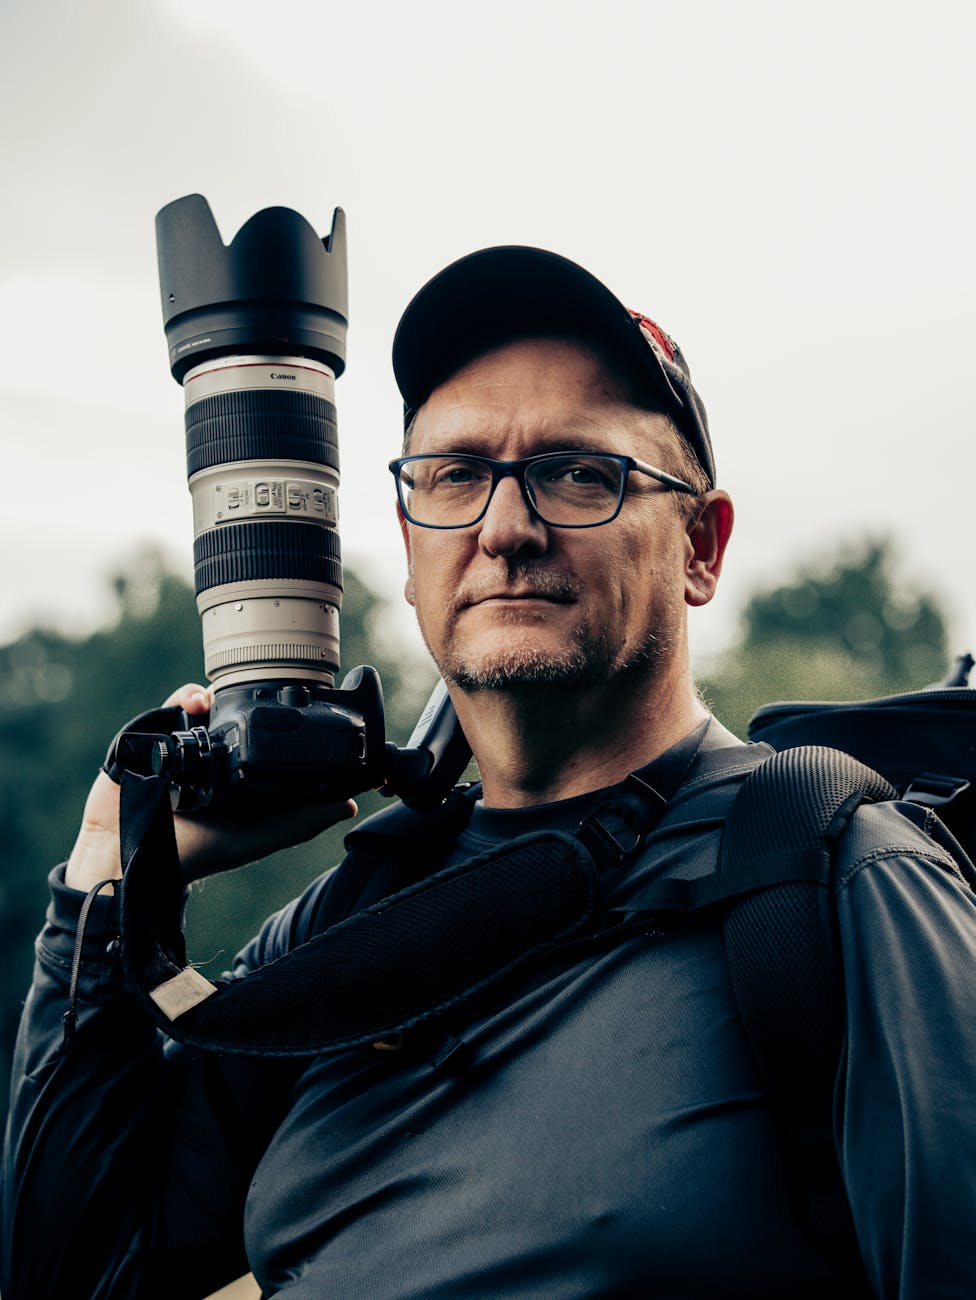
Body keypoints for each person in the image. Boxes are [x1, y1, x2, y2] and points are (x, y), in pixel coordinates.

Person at [3, 246, 976, 1300]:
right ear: (409, 539)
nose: (506, 529)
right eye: (456, 477)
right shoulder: (352, 928)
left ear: (701, 544)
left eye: (576, 472)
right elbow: (80, 1275)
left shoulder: (831, 878)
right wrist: (110, 870)